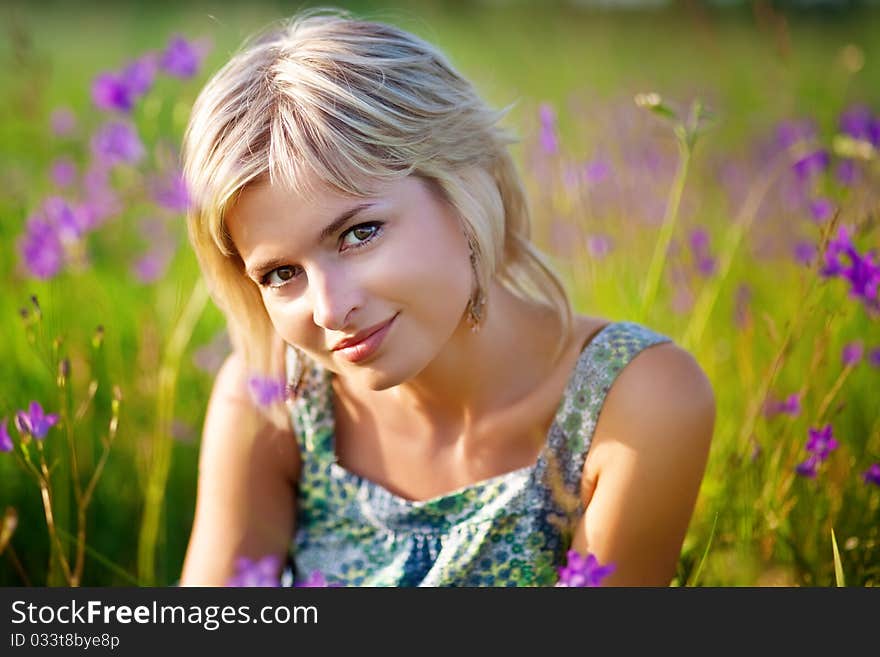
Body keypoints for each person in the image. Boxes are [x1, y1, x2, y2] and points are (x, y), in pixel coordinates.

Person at [178, 9, 715, 587]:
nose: (330, 309)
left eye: (360, 234)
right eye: (282, 273)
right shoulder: (274, 398)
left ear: (465, 182)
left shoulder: (635, 404)